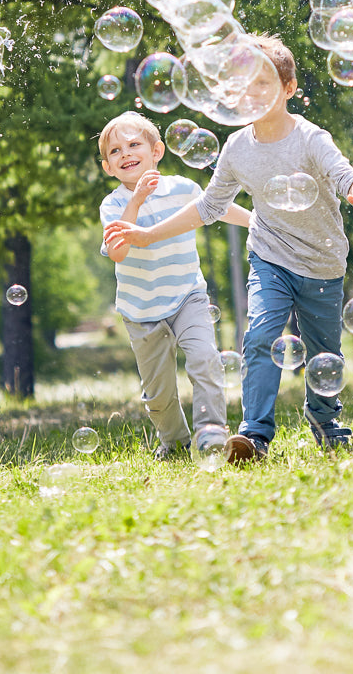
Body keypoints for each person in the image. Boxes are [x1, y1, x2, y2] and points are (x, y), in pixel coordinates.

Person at [104, 36, 353, 463]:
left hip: (322, 261)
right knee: (261, 336)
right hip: (269, 256)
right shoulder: (237, 147)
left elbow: (344, 174)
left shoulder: (309, 137)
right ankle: (254, 436)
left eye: (264, 83)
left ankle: (325, 422)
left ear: (288, 88)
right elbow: (210, 206)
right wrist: (148, 235)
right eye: (244, 85)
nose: (253, 94)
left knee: (324, 353)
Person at [99, 111, 251, 459]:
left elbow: (216, 208)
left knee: (205, 359)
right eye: (116, 151)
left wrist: (255, 222)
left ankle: (210, 434)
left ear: (157, 151)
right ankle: (175, 442)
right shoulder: (113, 205)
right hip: (141, 310)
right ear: (108, 167)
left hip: (187, 297)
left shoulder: (182, 188)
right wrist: (135, 201)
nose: (125, 154)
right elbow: (119, 252)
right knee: (159, 392)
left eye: (134, 144)